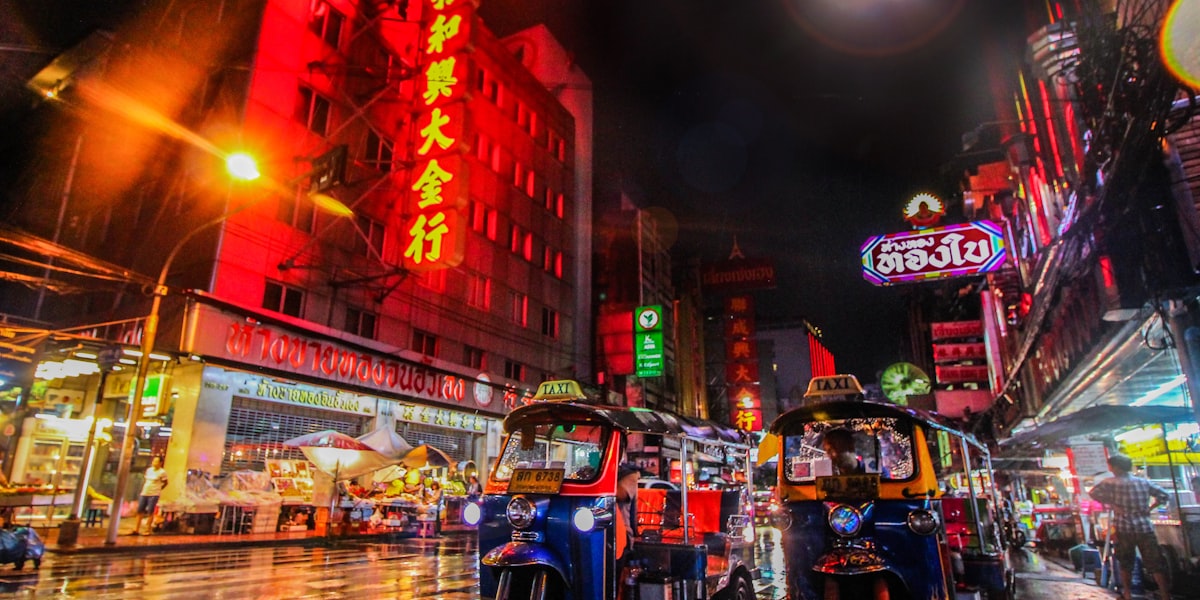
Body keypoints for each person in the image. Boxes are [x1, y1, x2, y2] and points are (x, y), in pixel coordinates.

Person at [1088, 454, 1171, 600]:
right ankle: (1165, 595)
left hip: (1124, 528)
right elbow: (1164, 495)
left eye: (1111, 466)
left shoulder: (1110, 483)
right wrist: (1150, 508)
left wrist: (1111, 503)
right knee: (1155, 563)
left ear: (1116, 467)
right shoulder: (1143, 482)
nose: (1110, 469)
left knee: (1126, 563)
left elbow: (1093, 493)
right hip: (1144, 527)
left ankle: (1127, 593)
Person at [615, 463, 644, 597]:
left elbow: (621, 493)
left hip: (621, 534)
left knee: (616, 581)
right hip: (599, 529)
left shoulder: (629, 476)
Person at [131, 455, 168, 535]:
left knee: (150, 511)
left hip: (154, 494)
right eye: (154, 461)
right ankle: (136, 529)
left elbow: (165, 483)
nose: (154, 463)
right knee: (140, 510)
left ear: (160, 463)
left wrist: (158, 489)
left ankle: (147, 529)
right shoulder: (149, 470)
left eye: (156, 461)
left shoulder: (162, 472)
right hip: (145, 492)